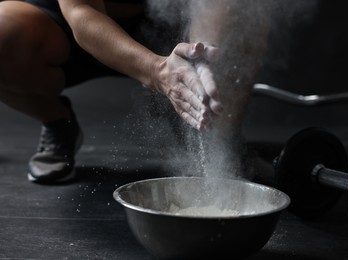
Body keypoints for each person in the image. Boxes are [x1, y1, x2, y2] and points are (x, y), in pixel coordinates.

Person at [0, 0, 267, 184]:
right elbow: (81, 11)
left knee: (245, 10)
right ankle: (58, 123)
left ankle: (214, 136)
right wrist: (157, 71)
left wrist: (204, 62)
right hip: (76, 24)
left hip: (181, 23)